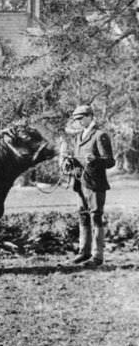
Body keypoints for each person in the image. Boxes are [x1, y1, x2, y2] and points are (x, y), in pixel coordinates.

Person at [70, 104, 115, 266]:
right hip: (79, 183)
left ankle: (97, 255)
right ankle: (84, 251)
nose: (78, 122)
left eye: (81, 119)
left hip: (95, 184)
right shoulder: (78, 137)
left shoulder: (100, 135)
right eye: (76, 120)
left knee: (95, 216)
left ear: (90, 116)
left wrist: (96, 160)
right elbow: (77, 158)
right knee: (83, 215)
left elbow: (110, 161)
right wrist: (70, 163)